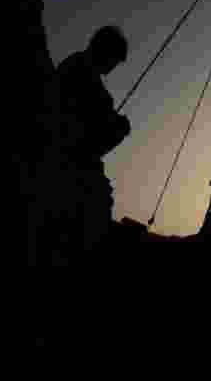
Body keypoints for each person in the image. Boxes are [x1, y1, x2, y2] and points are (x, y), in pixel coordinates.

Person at [56, 25, 132, 255]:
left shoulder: (75, 65)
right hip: (72, 158)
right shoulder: (81, 71)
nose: (113, 67)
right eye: (114, 60)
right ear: (104, 51)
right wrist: (117, 124)